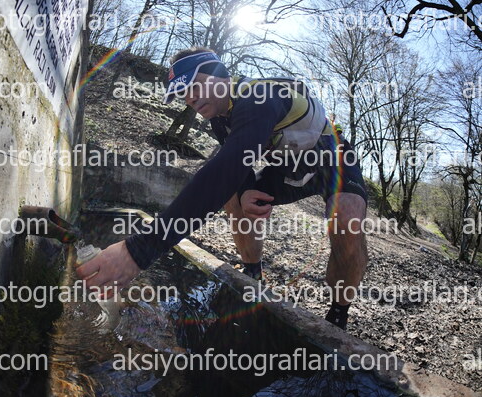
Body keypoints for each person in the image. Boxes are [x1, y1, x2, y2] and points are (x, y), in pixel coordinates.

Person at [76, 47, 369, 330]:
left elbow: (224, 170)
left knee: (346, 218)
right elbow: (238, 166)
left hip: (331, 158)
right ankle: (252, 272)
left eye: (194, 86)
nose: (189, 99)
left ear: (219, 73)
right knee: (233, 195)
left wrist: (139, 250)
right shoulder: (220, 117)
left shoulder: (258, 97)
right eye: (182, 93)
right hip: (284, 167)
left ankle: (339, 312)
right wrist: (246, 190)